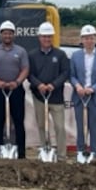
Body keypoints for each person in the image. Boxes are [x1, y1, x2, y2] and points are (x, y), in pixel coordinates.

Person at [70, 24, 96, 163]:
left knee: (94, 126)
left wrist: (93, 88)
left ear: (95, 39)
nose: (89, 41)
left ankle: (94, 153)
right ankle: (81, 152)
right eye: (86, 38)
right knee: (80, 126)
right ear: (81, 40)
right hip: (79, 96)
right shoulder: (75, 56)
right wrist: (77, 86)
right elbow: (71, 75)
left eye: (91, 38)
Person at [0, 20, 29, 158]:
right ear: (1, 35)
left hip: (16, 90)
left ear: (13, 35)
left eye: (10, 33)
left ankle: (21, 153)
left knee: (18, 121)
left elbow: (25, 69)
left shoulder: (21, 51)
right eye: (5, 33)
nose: (7, 36)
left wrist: (17, 82)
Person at [28, 21, 70, 161]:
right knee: (41, 125)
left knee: (59, 127)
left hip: (56, 96)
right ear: (39, 37)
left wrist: (53, 85)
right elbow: (29, 74)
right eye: (44, 36)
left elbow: (65, 73)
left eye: (49, 36)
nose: (47, 39)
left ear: (52, 37)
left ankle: (61, 155)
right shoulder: (32, 55)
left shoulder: (60, 54)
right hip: (39, 96)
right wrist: (39, 85)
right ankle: (45, 151)